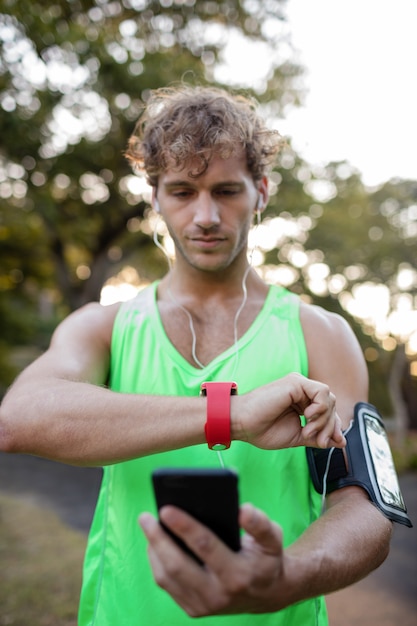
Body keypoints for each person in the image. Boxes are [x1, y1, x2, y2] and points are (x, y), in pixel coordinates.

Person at [0, 85, 395, 626]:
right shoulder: (104, 326)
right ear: (155, 196)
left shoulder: (321, 333)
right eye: (183, 191)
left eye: (226, 190)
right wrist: (230, 416)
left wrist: (289, 576)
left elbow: (364, 504)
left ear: (261, 191)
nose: (206, 215)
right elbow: (19, 419)